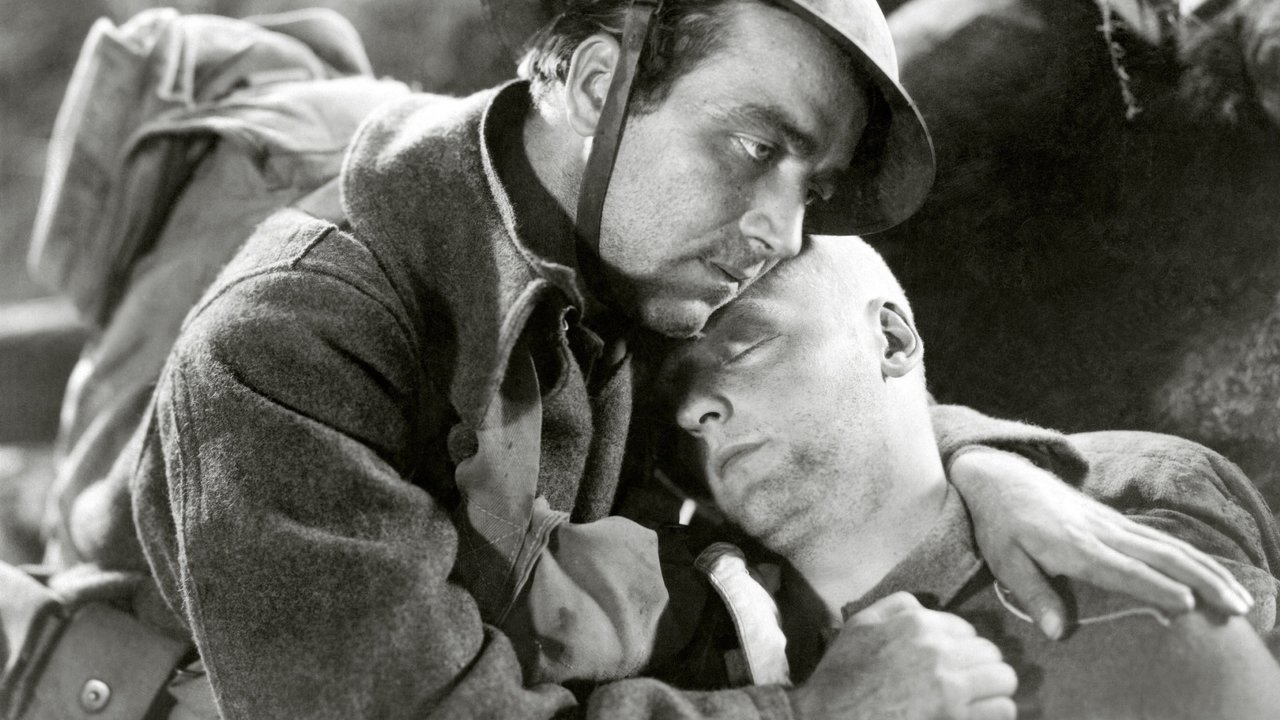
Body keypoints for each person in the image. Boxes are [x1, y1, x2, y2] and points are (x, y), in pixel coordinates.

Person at [52, 0, 1255, 717]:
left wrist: (981, 467)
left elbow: (811, 390)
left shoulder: (627, 259)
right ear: (593, 82)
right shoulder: (285, 351)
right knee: (258, 144)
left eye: (812, 186)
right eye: (756, 146)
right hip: (138, 631)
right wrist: (809, 715)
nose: (780, 234)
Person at [660, 234, 1280, 718]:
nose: (692, 409)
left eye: (744, 349)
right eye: (669, 397)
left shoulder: (1133, 543)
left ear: (891, 340)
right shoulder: (676, 641)